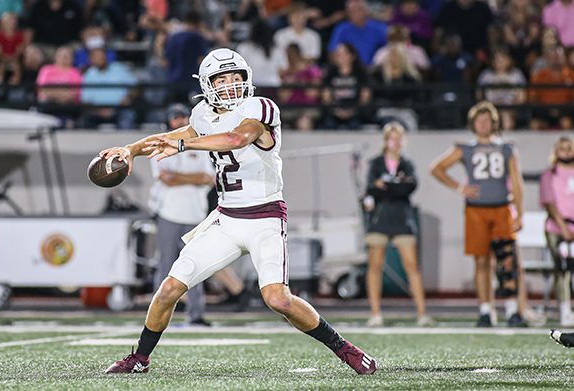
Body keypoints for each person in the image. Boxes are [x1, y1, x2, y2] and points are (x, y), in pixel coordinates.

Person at [100, 47, 377, 375]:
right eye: (222, 78)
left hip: (265, 217)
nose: (230, 84)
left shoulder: (260, 107)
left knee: (279, 299)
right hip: (226, 218)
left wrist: (185, 145)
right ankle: (140, 359)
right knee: (170, 288)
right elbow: (174, 136)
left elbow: (235, 137)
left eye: (236, 77)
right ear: (206, 83)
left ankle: (344, 348)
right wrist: (130, 149)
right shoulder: (203, 113)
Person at [430, 101, 527, 327]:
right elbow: (436, 168)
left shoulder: (506, 147)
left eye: (486, 120)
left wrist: (520, 213)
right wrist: (459, 187)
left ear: (494, 123)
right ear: (472, 123)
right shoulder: (465, 147)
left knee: (507, 260)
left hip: (502, 207)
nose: (483, 124)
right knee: (481, 261)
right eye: (479, 120)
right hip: (476, 210)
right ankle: (486, 310)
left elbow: (516, 181)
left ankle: (512, 310)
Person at [148, 103, 216, 326]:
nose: (180, 121)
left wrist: (181, 178)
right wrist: (193, 178)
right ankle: (156, 316)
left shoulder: (199, 143)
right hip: (169, 212)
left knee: (196, 267)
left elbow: (209, 178)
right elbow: (166, 178)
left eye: (183, 117)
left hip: (195, 214)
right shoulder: (161, 144)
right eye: (175, 118)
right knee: (165, 265)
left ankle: (196, 313)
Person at [363, 122, 433, 327]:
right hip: (380, 219)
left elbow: (409, 188)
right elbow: (371, 188)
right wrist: (395, 186)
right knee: (375, 266)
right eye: (392, 138)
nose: (396, 142)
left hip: (402, 219)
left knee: (412, 266)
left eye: (399, 138)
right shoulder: (375, 163)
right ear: (386, 141)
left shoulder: (407, 164)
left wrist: (387, 186)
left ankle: (422, 313)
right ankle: (375, 313)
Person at [540, 136, 574, 326]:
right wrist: (564, 228)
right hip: (556, 228)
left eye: (569, 148)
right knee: (562, 268)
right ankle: (565, 309)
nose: (566, 152)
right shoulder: (550, 174)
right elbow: (550, 203)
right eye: (562, 148)